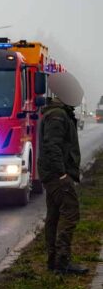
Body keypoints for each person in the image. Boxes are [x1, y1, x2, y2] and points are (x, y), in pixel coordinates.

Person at [38, 71, 88, 275]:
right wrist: (61, 174)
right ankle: (62, 261)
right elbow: (53, 146)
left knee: (55, 216)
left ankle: (53, 261)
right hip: (57, 175)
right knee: (70, 214)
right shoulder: (58, 115)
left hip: (52, 174)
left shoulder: (56, 112)